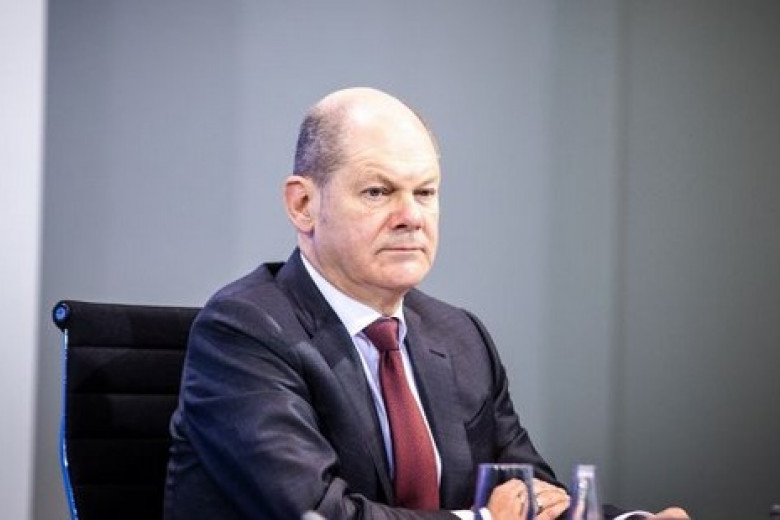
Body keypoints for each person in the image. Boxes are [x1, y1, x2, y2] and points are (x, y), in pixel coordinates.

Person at [164, 87, 688, 520]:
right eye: (378, 192)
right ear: (303, 204)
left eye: (425, 193)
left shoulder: (459, 336)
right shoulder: (245, 331)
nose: (411, 216)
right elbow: (318, 512)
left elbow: (532, 497)